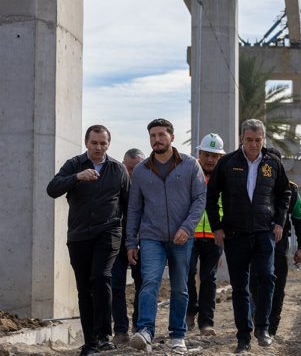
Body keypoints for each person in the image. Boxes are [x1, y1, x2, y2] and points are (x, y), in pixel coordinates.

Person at [206, 119, 291, 352]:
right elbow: (210, 196)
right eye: (249, 140)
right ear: (241, 139)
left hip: (264, 233)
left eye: (258, 140)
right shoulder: (226, 163)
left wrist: (279, 222)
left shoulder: (272, 163)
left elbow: (285, 194)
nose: (254, 145)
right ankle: (243, 337)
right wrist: (217, 227)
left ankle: (262, 327)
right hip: (235, 234)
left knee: (266, 277)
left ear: (264, 140)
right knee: (240, 286)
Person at [46, 125, 130, 356]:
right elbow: (52, 189)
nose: (99, 147)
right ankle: (90, 343)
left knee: (101, 277)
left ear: (108, 144)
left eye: (103, 143)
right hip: (79, 235)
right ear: (86, 143)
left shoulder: (118, 169)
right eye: (94, 143)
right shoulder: (74, 164)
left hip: (109, 232)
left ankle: (103, 337)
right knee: (85, 289)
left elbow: (129, 205)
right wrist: (76, 177)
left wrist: (131, 239)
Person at [126, 119, 207, 353]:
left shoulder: (191, 165)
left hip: (182, 237)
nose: (156, 139)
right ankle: (145, 332)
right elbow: (134, 209)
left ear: (172, 137)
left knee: (180, 287)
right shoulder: (141, 170)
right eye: (152, 135)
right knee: (150, 282)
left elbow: (199, 199)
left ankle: (177, 335)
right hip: (151, 237)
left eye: (161, 135)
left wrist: (187, 228)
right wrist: (132, 241)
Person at [248, 148, 301, 337]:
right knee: (255, 282)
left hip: (280, 243)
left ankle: (271, 329)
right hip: (255, 240)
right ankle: (260, 316)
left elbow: (299, 219)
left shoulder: (291, 189)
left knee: (278, 284)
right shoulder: (252, 185)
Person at [185, 134, 226, 336]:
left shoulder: (225, 177)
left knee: (209, 278)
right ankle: (190, 312)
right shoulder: (189, 173)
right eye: (206, 155)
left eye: (215, 156)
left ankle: (206, 323)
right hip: (190, 235)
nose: (210, 159)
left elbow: (228, 208)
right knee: (187, 272)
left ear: (220, 157)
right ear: (199, 153)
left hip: (214, 237)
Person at [111, 149, 146, 345]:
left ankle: (139, 326)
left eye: (136, 168)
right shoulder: (114, 186)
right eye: (129, 168)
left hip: (142, 244)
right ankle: (120, 330)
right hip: (117, 244)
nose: (132, 173)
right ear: (123, 166)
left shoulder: (149, 186)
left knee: (142, 286)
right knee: (116, 286)